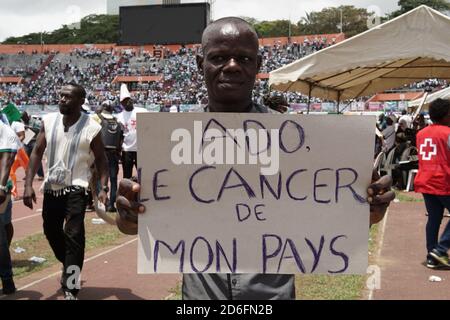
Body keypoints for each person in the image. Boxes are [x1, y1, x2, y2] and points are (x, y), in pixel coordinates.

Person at [115, 17, 395, 300]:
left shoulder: (297, 141)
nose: (233, 65)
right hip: (201, 298)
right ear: (201, 64)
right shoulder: (169, 142)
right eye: (219, 57)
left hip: (271, 297)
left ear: (258, 66)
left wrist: (365, 211)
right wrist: (129, 214)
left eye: (244, 58)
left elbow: (328, 216)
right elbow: (131, 225)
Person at [23, 83, 109, 300]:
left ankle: (71, 287)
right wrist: (27, 184)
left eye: (67, 97)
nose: (61, 99)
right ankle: (69, 264)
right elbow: (36, 152)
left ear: (80, 101)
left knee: (74, 237)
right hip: (52, 188)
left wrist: (103, 187)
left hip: (76, 189)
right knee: (51, 231)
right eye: (60, 95)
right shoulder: (48, 121)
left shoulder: (92, 126)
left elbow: (101, 159)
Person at [414, 98, 450, 269]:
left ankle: (431, 256)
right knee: (435, 218)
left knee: (434, 218)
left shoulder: (421, 134)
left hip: (425, 181)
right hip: (443, 181)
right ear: (447, 115)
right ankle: (441, 250)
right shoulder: (448, 133)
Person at [0, 120, 21, 295]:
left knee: (1, 235)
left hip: (1, 189)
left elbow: (7, 160)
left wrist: (0, 187)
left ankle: (7, 280)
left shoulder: (5, 131)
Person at [92, 100, 123, 212]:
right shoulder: (116, 120)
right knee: (113, 179)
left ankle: (105, 201)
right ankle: (111, 204)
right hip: (114, 153)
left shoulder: (96, 118)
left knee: (100, 178)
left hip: (101, 153)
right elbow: (121, 138)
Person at [116, 84, 148, 179]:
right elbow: (120, 134)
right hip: (127, 150)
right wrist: (119, 149)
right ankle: (128, 194)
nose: (128, 102)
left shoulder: (142, 111)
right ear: (122, 103)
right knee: (127, 175)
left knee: (143, 175)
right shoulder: (120, 116)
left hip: (141, 149)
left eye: (129, 99)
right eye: (125, 101)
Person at [9, 117, 29, 199]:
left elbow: (22, 136)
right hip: (13, 151)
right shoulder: (15, 124)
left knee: (28, 169)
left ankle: (26, 190)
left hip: (17, 151)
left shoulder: (15, 124)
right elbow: (22, 136)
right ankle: (14, 193)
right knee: (11, 172)